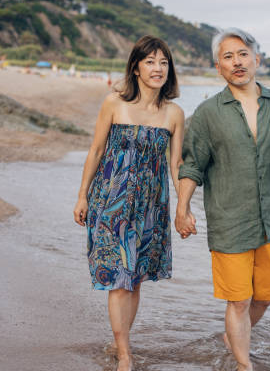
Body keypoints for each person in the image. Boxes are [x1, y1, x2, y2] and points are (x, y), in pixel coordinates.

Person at [175, 28, 270, 371]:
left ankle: (233, 336)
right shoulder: (208, 113)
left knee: (264, 297)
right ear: (218, 67)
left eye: (242, 54)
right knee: (238, 300)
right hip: (229, 218)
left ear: (257, 59)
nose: (237, 62)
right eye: (228, 57)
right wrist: (181, 209)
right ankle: (244, 364)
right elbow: (192, 164)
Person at [73, 35, 184, 371]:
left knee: (134, 279)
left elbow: (176, 166)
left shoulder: (174, 114)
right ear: (135, 67)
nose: (158, 68)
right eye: (150, 61)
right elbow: (95, 151)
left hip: (151, 206)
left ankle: (120, 339)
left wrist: (184, 207)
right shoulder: (114, 103)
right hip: (111, 201)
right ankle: (125, 354)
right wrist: (82, 195)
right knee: (119, 277)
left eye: (164, 62)